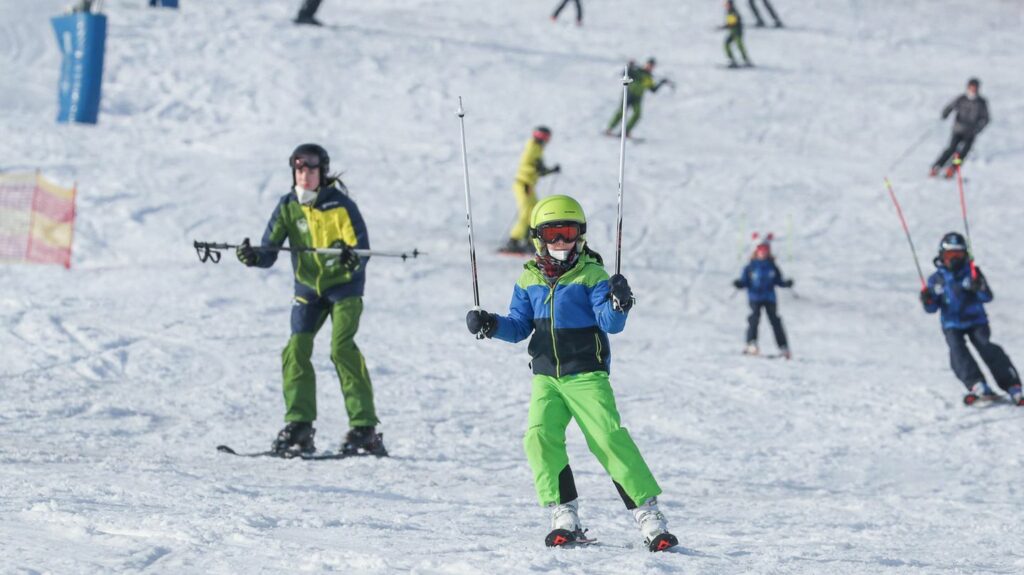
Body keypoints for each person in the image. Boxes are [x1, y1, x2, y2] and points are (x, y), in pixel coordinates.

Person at [467, 195, 679, 552]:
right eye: (554, 233)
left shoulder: (593, 275)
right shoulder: (528, 278)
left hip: (586, 375)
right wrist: (489, 324)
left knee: (608, 438)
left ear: (580, 235)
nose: (562, 241)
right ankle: (563, 513)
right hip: (546, 377)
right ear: (539, 237)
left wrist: (620, 303)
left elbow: (610, 324)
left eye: (568, 232)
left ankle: (649, 516)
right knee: (538, 437)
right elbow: (519, 326)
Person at [236, 143, 388, 456]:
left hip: (344, 289)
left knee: (341, 348)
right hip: (308, 290)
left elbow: (360, 249)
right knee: (295, 349)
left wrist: (352, 260)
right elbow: (269, 250)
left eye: (312, 170)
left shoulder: (341, 206)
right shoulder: (288, 206)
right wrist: (253, 256)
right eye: (300, 170)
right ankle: (300, 424)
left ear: (323, 172)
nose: (305, 176)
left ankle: (364, 428)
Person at [920, 232, 1023, 406]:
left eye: (958, 255)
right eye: (949, 255)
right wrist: (927, 299)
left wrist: (979, 287)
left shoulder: (972, 272)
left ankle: (1012, 385)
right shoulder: (936, 279)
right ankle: (977, 384)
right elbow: (931, 308)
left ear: (965, 255)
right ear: (941, 256)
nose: (953, 260)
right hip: (951, 323)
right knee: (957, 351)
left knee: (986, 346)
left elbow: (987, 297)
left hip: (976, 321)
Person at [502, 127, 561, 255]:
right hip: (524, 185)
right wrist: (539, 168)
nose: (547, 141)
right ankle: (514, 240)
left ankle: (530, 240)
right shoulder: (532, 148)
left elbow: (539, 169)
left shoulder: (537, 149)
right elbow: (530, 166)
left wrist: (550, 170)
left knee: (535, 212)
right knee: (526, 213)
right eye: (546, 137)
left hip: (529, 185)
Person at [733, 235, 793, 358]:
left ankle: (783, 347)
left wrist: (786, 283)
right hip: (755, 297)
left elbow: (778, 281)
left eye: (765, 249)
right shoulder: (750, 267)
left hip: (770, 298)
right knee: (754, 319)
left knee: (775, 321)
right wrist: (740, 284)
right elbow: (745, 281)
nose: (763, 252)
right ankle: (751, 343)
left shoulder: (772, 266)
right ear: (756, 251)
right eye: (761, 249)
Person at [930, 78, 989, 179]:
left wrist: (978, 129)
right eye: (971, 88)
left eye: (975, 88)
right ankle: (937, 166)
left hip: (971, 132)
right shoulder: (961, 99)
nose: (972, 90)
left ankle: (952, 169)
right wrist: (945, 114)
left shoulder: (981, 102)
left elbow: (986, 118)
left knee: (963, 152)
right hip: (958, 129)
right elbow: (950, 107)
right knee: (951, 149)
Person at [604, 58, 674, 138]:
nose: (650, 67)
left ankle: (625, 131)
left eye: (652, 66)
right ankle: (609, 129)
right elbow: (625, 74)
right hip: (629, 93)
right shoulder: (637, 71)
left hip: (638, 97)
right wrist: (629, 66)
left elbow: (653, 89)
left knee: (637, 114)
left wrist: (662, 82)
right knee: (622, 111)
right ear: (646, 64)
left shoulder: (649, 78)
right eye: (649, 65)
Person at [723, 1, 753, 68]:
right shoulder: (729, 12)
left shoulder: (733, 12)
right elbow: (730, 23)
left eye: (727, 5)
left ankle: (746, 60)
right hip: (733, 32)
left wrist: (724, 27)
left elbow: (732, 23)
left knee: (739, 46)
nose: (726, 6)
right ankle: (732, 60)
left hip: (737, 32)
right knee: (727, 44)